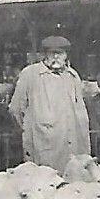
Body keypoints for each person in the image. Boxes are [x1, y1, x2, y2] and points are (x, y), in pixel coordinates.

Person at [7, 35, 90, 173]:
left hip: (71, 147)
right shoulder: (30, 74)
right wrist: (33, 128)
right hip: (44, 147)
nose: (56, 57)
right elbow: (15, 109)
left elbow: (80, 111)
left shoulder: (72, 76)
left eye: (60, 53)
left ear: (66, 55)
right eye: (52, 53)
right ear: (45, 55)